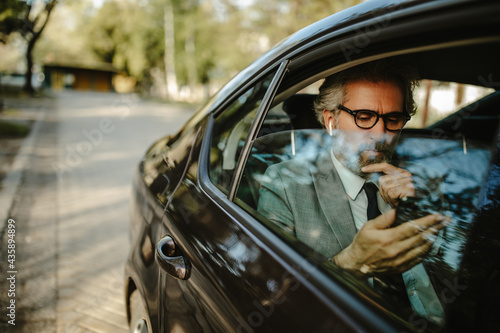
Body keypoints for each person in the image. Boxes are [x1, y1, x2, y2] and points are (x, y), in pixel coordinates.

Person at [257, 60, 448, 322]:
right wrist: (352, 262)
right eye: (364, 117)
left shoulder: (419, 176)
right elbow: (274, 296)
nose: (381, 134)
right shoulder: (285, 183)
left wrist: (414, 209)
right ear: (331, 121)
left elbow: (450, 259)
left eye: (393, 119)